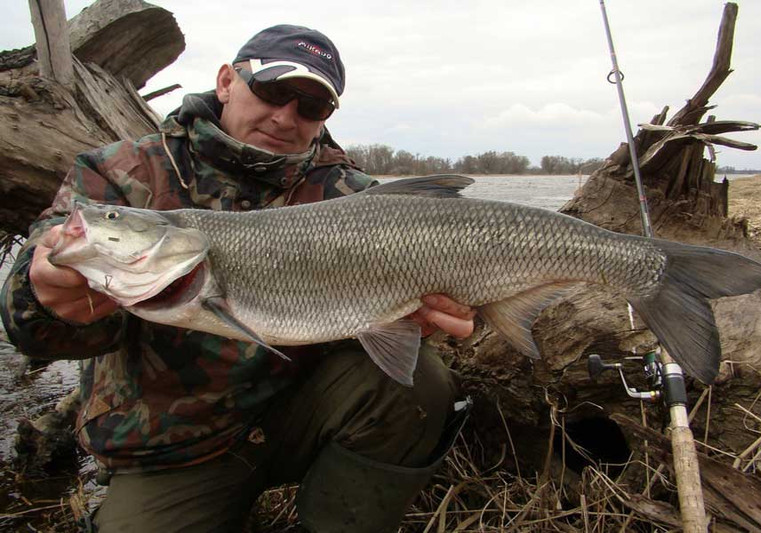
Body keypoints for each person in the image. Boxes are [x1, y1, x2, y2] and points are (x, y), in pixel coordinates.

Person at [0, 25, 474, 532]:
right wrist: (43, 294)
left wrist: (424, 315)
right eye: (271, 90)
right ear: (227, 80)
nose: (285, 116)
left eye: (311, 106)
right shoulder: (119, 173)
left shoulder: (351, 194)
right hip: (174, 445)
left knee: (419, 382)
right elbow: (32, 322)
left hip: (301, 417)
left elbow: (392, 329)